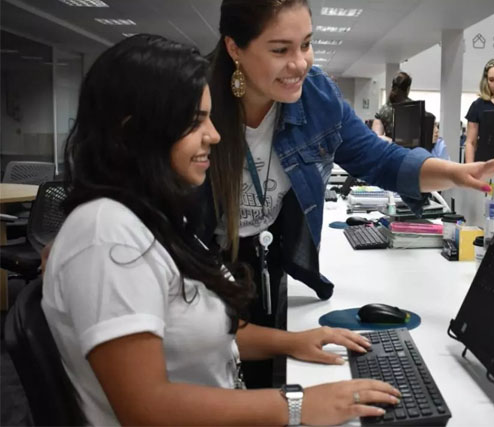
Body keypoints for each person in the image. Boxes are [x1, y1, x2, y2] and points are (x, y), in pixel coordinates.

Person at [42, 34, 401, 426]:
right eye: (195, 122)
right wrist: (297, 405)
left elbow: (196, 332)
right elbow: (146, 408)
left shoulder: (152, 216)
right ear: (135, 131)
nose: (214, 135)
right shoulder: (108, 236)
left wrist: (293, 341)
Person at [202, 0, 494, 389]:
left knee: (264, 374)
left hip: (268, 258)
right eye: (280, 50)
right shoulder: (196, 105)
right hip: (203, 266)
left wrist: (456, 173)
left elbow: (378, 158)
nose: (300, 63)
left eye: (306, 44)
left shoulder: (317, 97)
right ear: (234, 49)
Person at [372, 71, 412, 141]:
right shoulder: (415, 108)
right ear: (408, 89)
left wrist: (393, 142)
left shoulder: (383, 110)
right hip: (411, 151)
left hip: (392, 149)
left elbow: (377, 138)